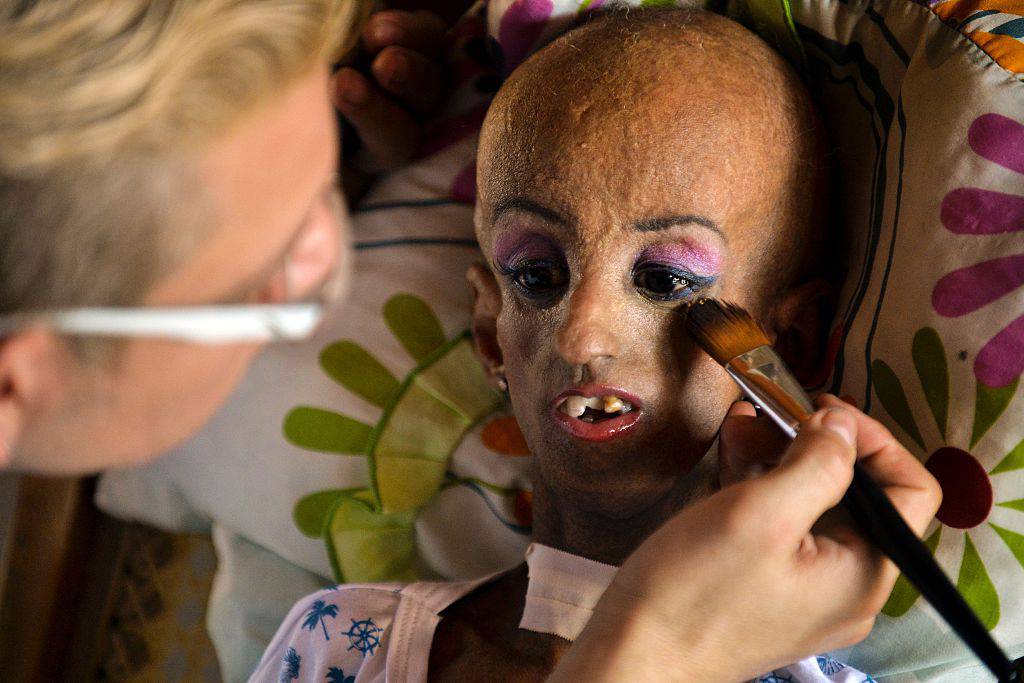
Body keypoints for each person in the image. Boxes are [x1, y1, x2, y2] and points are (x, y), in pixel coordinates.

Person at [249, 9, 941, 682]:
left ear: (790, 341)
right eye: (537, 275)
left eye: (664, 278)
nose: (581, 334)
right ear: (492, 333)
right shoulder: (342, 644)